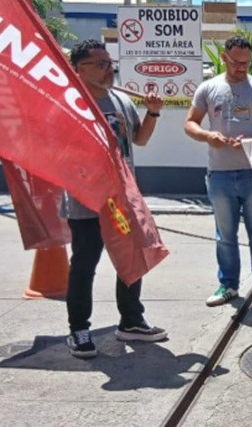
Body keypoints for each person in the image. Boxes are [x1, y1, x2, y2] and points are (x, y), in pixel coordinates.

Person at [62, 40, 166, 359]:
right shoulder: (70, 104)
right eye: (102, 64)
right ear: (79, 70)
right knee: (84, 265)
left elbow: (141, 139)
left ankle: (131, 321)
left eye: (110, 63)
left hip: (122, 200)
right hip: (87, 201)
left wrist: (153, 112)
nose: (110, 69)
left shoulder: (120, 100)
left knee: (131, 260)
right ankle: (79, 329)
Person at [184, 35, 252, 308]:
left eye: (247, 63)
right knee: (225, 234)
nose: (242, 68)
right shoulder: (208, 88)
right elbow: (190, 123)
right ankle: (228, 285)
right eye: (237, 62)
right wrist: (208, 136)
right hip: (219, 174)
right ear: (224, 58)